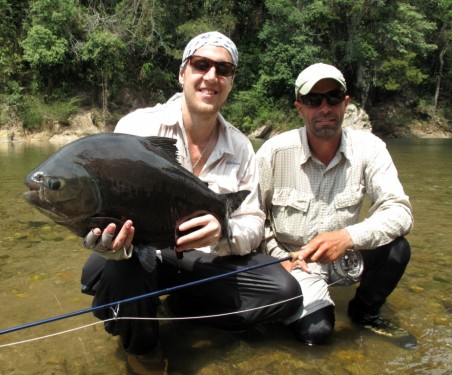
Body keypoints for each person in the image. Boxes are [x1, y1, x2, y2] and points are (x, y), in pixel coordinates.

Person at [80, 31, 303, 373]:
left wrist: (221, 233)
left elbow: (253, 221)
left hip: (203, 259)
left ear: (231, 81)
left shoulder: (241, 147)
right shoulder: (137, 126)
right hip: (142, 254)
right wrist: (108, 240)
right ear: (182, 73)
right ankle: (142, 347)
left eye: (223, 69)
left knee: (285, 292)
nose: (211, 76)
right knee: (116, 271)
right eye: (201, 64)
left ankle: (181, 307)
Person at [256, 63, 414, 346]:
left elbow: (400, 212)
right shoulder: (273, 153)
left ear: (346, 103)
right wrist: (278, 258)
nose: (325, 107)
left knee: (397, 248)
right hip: (294, 262)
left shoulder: (370, 148)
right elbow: (253, 216)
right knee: (317, 336)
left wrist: (348, 237)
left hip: (345, 256)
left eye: (333, 97)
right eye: (313, 100)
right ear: (299, 108)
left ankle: (365, 313)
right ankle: (291, 307)